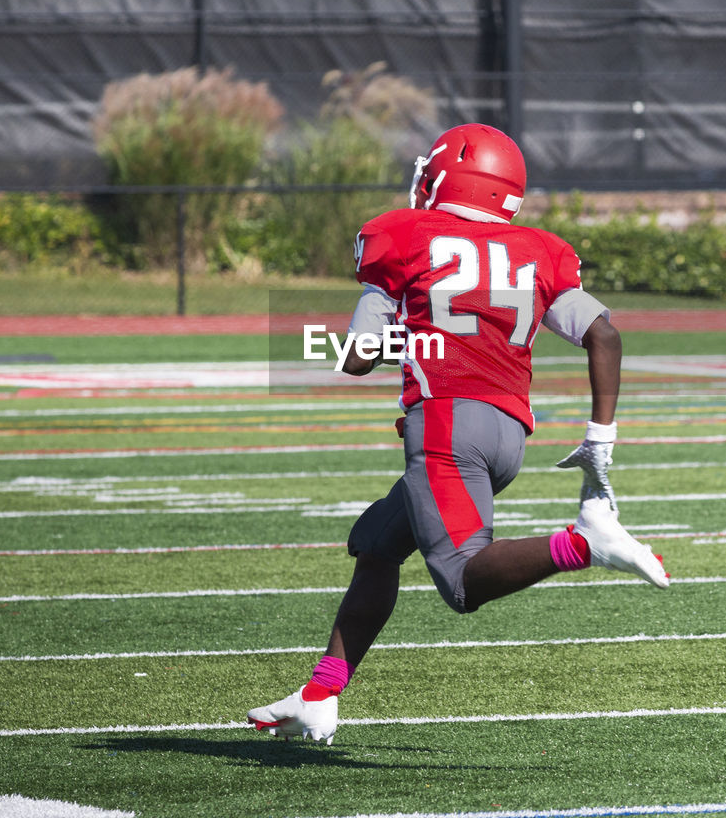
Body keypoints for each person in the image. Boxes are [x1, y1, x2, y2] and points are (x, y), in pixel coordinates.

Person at [248, 123, 668, 744]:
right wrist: (599, 438)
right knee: (376, 542)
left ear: (447, 175)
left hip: (446, 424)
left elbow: (359, 357)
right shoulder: (538, 251)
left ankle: (584, 545)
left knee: (462, 581)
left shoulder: (401, 237)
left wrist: (350, 344)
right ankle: (320, 693)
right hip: (507, 434)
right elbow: (604, 333)